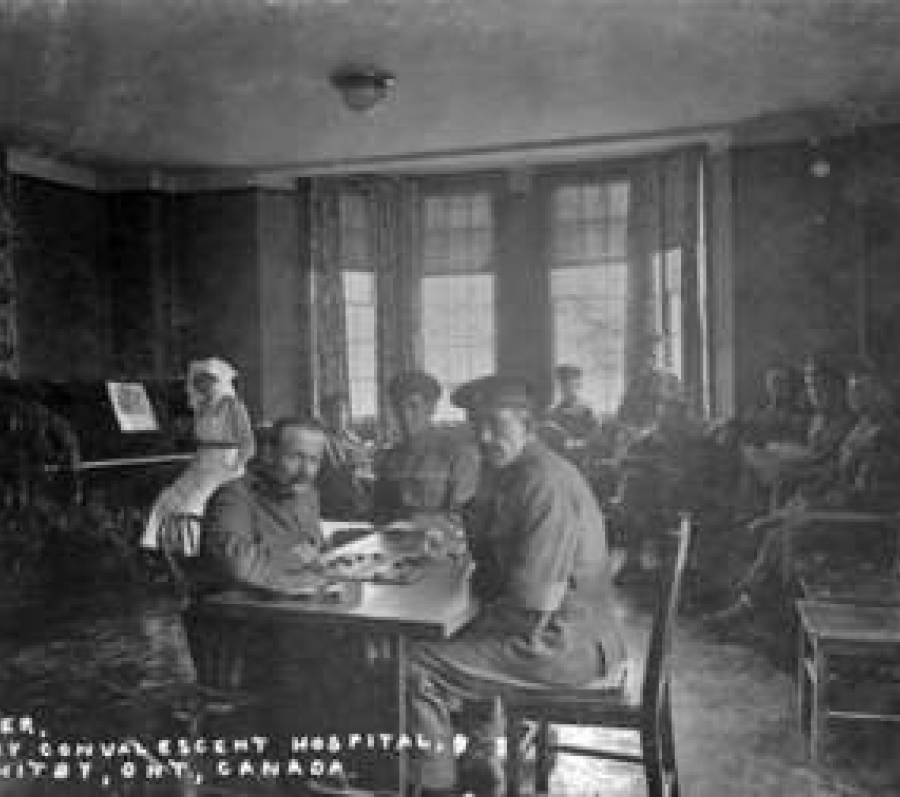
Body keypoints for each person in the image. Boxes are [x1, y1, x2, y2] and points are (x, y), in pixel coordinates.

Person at [405, 375, 626, 797]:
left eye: (496, 425)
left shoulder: (542, 483)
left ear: (529, 426)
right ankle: (481, 759)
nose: (484, 438)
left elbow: (528, 610)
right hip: (567, 632)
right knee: (459, 638)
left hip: (563, 646)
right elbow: (493, 568)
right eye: (477, 426)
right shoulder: (510, 471)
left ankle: (437, 787)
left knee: (414, 666)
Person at [707, 365, 900, 630]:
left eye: (864, 389)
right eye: (853, 389)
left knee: (785, 531)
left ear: (883, 392)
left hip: (865, 524)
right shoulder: (863, 426)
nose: (855, 396)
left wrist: (818, 502)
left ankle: (756, 606)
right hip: (840, 505)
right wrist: (813, 491)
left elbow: (869, 495)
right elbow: (836, 470)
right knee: (784, 514)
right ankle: (752, 600)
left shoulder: (885, 434)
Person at [198, 416, 327, 592]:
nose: (306, 471)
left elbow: (314, 544)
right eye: (296, 457)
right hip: (237, 606)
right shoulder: (235, 496)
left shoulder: (308, 493)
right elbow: (238, 566)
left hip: (294, 594)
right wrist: (295, 558)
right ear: (270, 454)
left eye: (314, 460)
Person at [141, 358, 255, 554]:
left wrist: (234, 470)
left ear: (218, 381)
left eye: (206, 381)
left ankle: (190, 555)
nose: (200, 385)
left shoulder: (233, 406)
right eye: (197, 381)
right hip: (202, 462)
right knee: (168, 498)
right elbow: (198, 441)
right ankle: (163, 550)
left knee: (190, 506)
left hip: (226, 464)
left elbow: (249, 445)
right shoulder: (201, 408)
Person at [373, 370, 479, 535]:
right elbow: (376, 512)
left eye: (413, 406)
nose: (404, 415)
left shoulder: (457, 454)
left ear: (431, 408)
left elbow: (467, 518)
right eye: (397, 407)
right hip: (393, 550)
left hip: (444, 551)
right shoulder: (390, 458)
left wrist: (415, 519)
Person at [316, 391, 373, 520]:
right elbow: (318, 476)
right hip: (331, 506)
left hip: (357, 504)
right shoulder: (318, 440)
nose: (339, 416)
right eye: (333, 412)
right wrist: (348, 467)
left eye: (342, 411)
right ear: (323, 415)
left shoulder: (354, 439)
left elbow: (364, 469)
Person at [544, 364, 598, 444]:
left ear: (578, 386)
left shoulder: (586, 410)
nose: (564, 389)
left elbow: (593, 439)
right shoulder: (553, 411)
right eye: (562, 385)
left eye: (569, 385)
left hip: (579, 451)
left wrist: (570, 442)